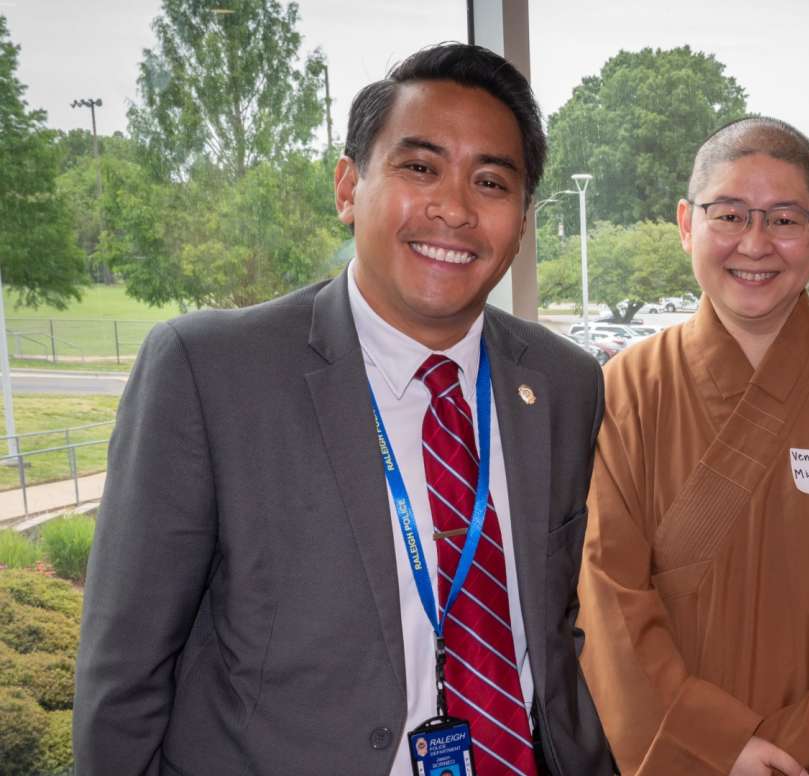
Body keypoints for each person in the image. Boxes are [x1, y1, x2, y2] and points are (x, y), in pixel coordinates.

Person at [73, 43, 614, 776]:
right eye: (419, 168)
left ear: (522, 220)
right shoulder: (210, 374)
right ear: (347, 188)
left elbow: (551, 633)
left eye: (491, 181)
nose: (453, 208)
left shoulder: (564, 380)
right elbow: (125, 672)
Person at [577, 117, 809, 776]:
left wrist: (792, 755)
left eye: (785, 220)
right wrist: (720, 747)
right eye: (729, 214)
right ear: (686, 224)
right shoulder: (626, 391)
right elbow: (609, 602)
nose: (755, 244)